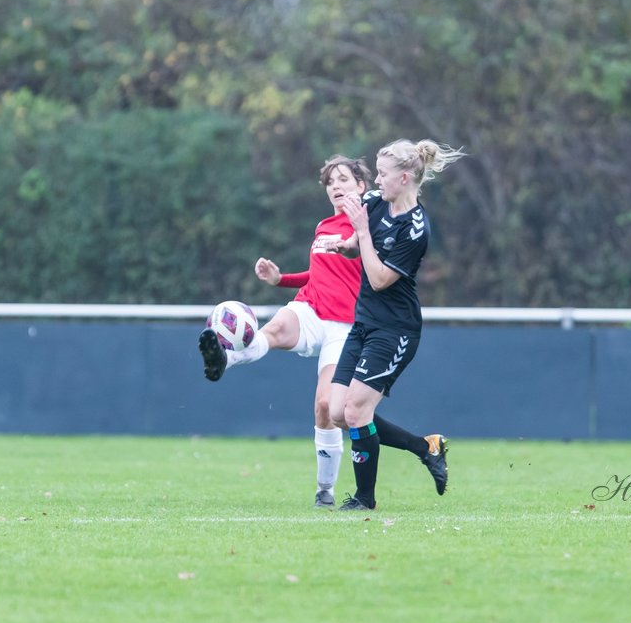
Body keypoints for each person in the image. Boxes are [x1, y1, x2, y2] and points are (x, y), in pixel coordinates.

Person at [198, 155, 449, 508]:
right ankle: (227, 356)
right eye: (330, 182)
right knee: (275, 329)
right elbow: (321, 273)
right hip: (312, 309)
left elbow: (378, 273)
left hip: (349, 324)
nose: (335, 187)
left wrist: (359, 233)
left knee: (332, 410)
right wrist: (280, 280)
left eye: (343, 179)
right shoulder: (325, 225)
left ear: (361, 186)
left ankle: (335, 488)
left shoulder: (372, 215)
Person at [325, 138, 466, 511]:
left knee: (356, 413)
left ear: (404, 178)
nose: (376, 180)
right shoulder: (375, 203)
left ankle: (364, 500)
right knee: (338, 413)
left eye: (383, 174)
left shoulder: (415, 228)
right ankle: (426, 446)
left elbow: (379, 279)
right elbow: (360, 247)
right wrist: (348, 244)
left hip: (395, 330)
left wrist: (363, 234)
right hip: (363, 323)